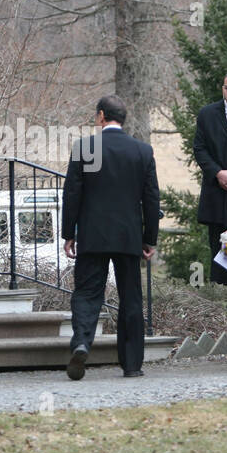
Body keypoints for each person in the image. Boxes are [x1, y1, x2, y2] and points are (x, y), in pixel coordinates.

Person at [62, 95, 160, 379]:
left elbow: (72, 193)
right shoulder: (142, 151)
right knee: (131, 297)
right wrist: (148, 238)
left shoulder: (86, 148)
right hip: (128, 237)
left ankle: (81, 341)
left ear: (101, 116)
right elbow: (151, 199)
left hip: (93, 235)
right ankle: (132, 364)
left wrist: (70, 233)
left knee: (87, 293)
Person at [193, 72, 227, 285]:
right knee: (219, 252)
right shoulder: (208, 114)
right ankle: (220, 304)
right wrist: (217, 173)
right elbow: (199, 148)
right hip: (216, 195)